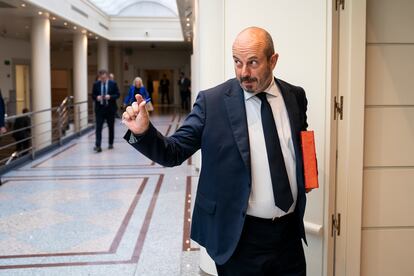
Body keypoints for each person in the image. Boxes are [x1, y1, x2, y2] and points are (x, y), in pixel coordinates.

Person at [122, 27, 309, 275]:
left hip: (288, 238)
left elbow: (301, 146)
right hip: (239, 239)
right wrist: (143, 132)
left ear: (273, 60)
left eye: (253, 62)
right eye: (237, 62)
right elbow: (173, 152)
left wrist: (306, 174)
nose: (244, 72)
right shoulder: (213, 102)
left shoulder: (295, 96)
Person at [91, 69, 120, 152]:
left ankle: (110, 143)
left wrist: (110, 97)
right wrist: (97, 97)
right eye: (101, 78)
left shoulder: (113, 84)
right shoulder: (96, 84)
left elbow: (118, 94)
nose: (103, 79)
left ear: (107, 76)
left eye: (104, 77)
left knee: (111, 127)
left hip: (110, 109)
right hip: (99, 109)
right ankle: (98, 145)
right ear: (99, 77)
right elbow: (93, 95)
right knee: (98, 128)